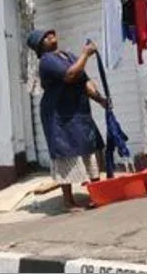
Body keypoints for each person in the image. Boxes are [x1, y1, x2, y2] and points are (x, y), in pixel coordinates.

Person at [27, 29, 110, 212]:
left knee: (90, 149)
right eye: (45, 37)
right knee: (67, 154)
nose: (50, 36)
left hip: (77, 111)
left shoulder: (69, 56)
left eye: (50, 33)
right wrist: (86, 54)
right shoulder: (47, 61)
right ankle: (68, 201)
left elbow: (84, 81)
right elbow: (71, 75)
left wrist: (100, 99)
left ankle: (97, 193)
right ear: (40, 47)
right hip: (59, 115)